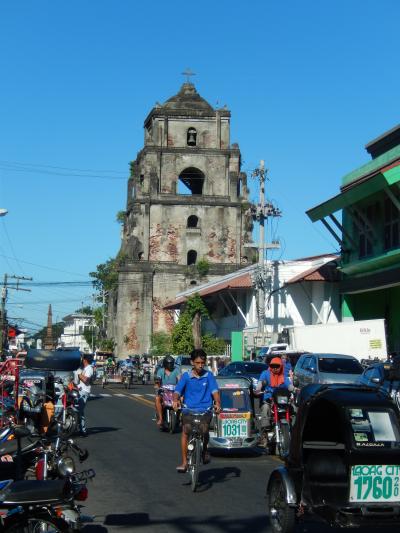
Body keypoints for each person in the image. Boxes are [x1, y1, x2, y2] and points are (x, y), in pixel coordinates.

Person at [173, 349, 221, 473]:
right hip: (188, 409)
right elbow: (177, 391)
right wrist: (175, 400)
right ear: (192, 362)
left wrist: (217, 403)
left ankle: (204, 450)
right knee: (186, 430)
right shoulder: (186, 376)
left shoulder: (208, 376)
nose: (200, 365)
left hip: (205, 409)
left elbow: (215, 391)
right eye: (198, 362)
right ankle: (184, 462)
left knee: (204, 430)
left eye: (202, 363)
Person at [256, 357, 292, 433]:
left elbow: (289, 385)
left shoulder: (283, 376)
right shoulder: (265, 373)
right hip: (269, 398)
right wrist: (258, 388)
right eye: (273, 366)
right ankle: (265, 430)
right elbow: (260, 382)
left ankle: (293, 428)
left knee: (292, 407)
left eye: (277, 366)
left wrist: (293, 388)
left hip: (281, 399)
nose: (275, 368)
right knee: (265, 408)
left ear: (281, 366)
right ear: (270, 366)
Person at [154, 355, 180, 427]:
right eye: (168, 363)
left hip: (174, 390)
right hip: (163, 390)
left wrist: (180, 386)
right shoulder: (160, 371)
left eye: (171, 363)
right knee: (157, 398)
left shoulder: (176, 370)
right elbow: (158, 381)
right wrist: (157, 386)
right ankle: (161, 418)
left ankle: (180, 418)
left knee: (182, 401)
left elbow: (179, 379)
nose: (170, 365)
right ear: (165, 364)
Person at [75, 353, 94, 437]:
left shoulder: (89, 368)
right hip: (80, 391)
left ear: (85, 360)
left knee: (80, 411)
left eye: (83, 359)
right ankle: (79, 428)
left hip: (84, 392)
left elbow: (86, 380)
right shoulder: (85, 368)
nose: (82, 360)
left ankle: (83, 430)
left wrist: (79, 374)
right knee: (77, 410)